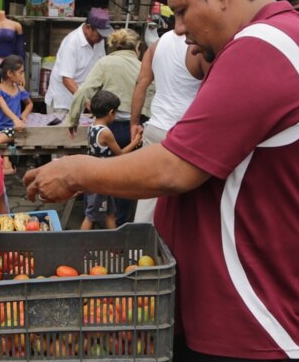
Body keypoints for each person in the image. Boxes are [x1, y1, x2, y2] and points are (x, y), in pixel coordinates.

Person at [24, 0, 299, 362]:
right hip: (228, 318)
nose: (179, 29)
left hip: (256, 322)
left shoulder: (267, 47)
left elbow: (176, 168)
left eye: (182, 10)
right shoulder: (257, 44)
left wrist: (79, 171)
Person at [65, 28, 146, 225]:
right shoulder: (142, 65)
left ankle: (96, 219)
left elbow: (85, 90)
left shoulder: (104, 63)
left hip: (110, 124)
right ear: (136, 48)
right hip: (134, 126)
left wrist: (72, 119)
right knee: (127, 177)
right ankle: (121, 224)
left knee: (103, 174)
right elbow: (151, 92)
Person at [130, 30, 203, 223]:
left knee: (148, 195)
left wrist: (134, 123)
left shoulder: (157, 45)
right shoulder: (199, 46)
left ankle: (139, 248)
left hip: (156, 127)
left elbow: (141, 83)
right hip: (184, 132)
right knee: (184, 199)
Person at [81, 90, 141, 230]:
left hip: (97, 175)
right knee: (91, 216)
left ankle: (114, 248)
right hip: (99, 178)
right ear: (111, 112)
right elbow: (120, 154)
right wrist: (135, 141)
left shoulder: (92, 127)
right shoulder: (105, 132)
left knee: (110, 213)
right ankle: (80, 247)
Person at [43, 7, 111, 115]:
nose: (102, 38)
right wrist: (85, 100)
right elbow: (67, 80)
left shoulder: (99, 41)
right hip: (63, 101)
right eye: (100, 34)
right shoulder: (72, 43)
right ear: (89, 28)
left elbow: (101, 67)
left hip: (82, 97)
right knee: (60, 131)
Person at [0, 55, 32, 175]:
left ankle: (3, 165)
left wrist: (23, 115)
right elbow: (4, 108)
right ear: (9, 73)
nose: (23, 76)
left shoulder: (20, 89)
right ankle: (2, 164)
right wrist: (15, 119)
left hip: (14, 129)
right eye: (20, 72)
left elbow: (29, 104)